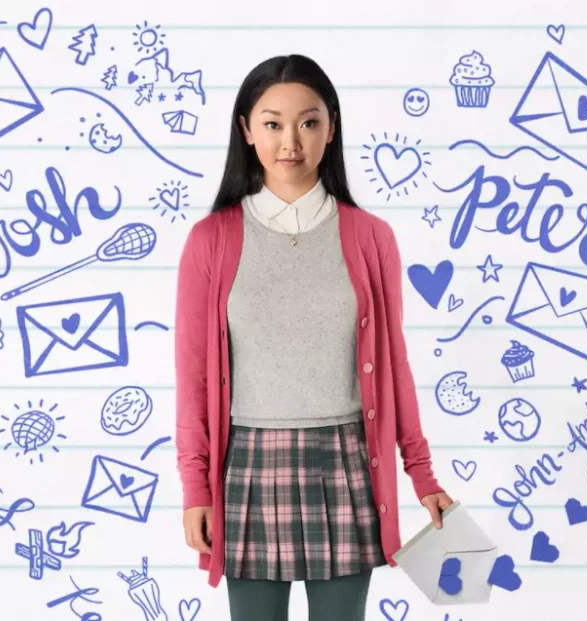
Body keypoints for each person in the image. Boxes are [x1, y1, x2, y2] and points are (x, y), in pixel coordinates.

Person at [174, 54, 453, 621]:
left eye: (309, 122)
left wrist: (421, 474)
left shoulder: (372, 237)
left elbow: (393, 364)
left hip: (347, 460)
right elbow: (194, 377)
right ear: (247, 131)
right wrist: (196, 488)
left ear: (332, 128)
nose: (290, 142)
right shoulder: (211, 240)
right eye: (272, 123)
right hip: (247, 465)